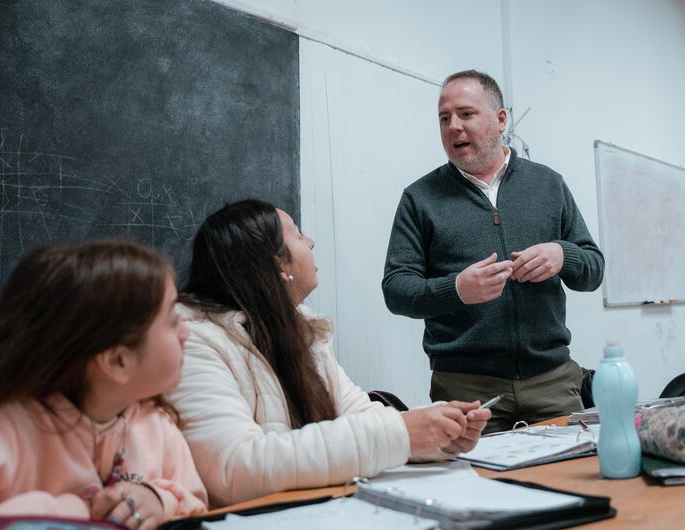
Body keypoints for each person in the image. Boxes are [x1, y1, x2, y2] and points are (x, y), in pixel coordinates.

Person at [170, 200, 491, 506]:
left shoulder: (301, 329)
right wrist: (404, 434)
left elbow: (359, 414)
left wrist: (433, 436)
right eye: (297, 234)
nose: (310, 242)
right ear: (278, 264)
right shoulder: (193, 341)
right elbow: (234, 469)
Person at [381, 69, 605, 432]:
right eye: (444, 118)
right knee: (476, 486)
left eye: (466, 114)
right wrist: (456, 289)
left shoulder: (548, 184)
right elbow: (396, 290)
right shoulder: (419, 198)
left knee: (569, 481)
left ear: (501, 119)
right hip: (464, 389)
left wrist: (564, 255)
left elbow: (594, 269)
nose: (453, 126)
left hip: (552, 380)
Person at [0, 241, 207, 530]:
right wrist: (78, 512)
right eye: (172, 321)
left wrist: (158, 500)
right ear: (117, 361)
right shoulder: (4, 430)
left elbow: (195, 504)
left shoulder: (153, 420)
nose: (186, 332)